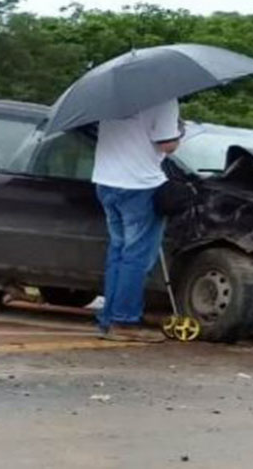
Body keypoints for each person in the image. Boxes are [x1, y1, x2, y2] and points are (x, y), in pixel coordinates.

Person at [91, 99, 182, 342]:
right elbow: (166, 145)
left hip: (106, 181)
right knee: (137, 257)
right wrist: (180, 132)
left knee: (118, 252)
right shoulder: (163, 100)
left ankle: (108, 319)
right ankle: (125, 321)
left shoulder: (112, 97)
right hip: (140, 185)